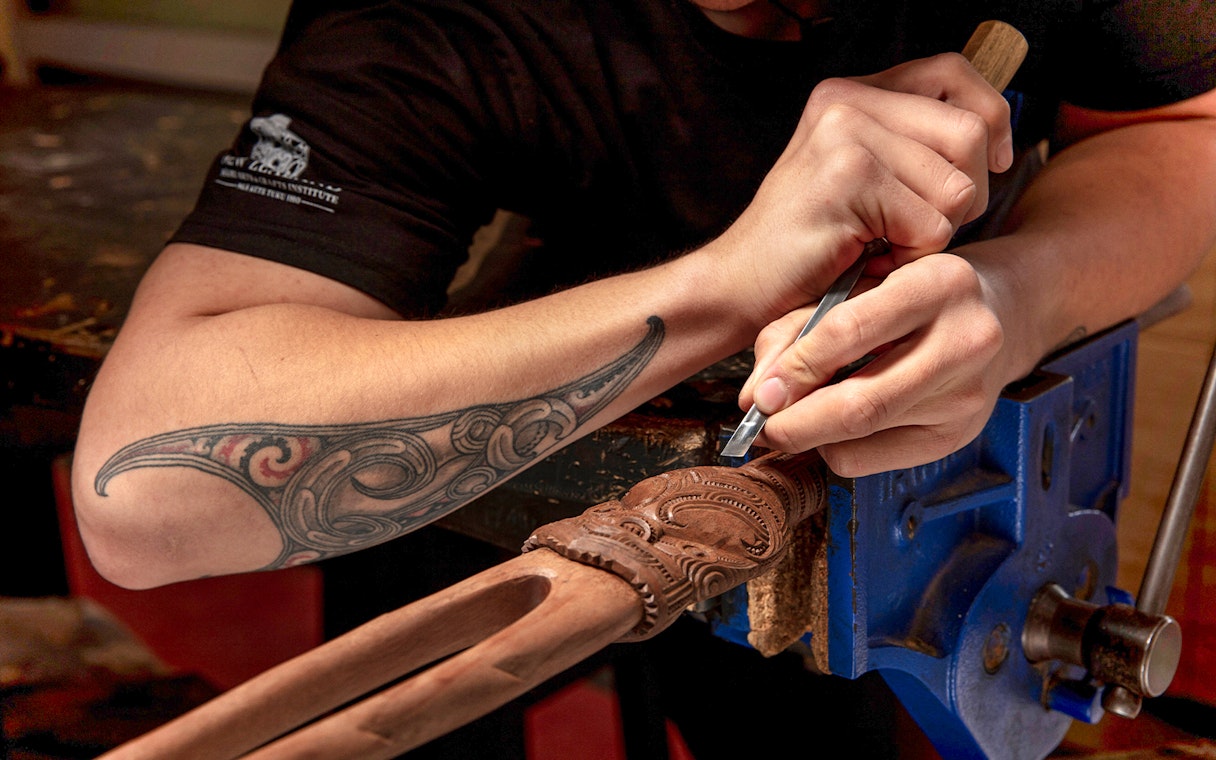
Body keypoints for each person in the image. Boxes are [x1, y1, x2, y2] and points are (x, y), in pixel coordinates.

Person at [70, 0, 1216, 756]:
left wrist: (1020, 295)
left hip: (898, 422)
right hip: (518, 341)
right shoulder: (421, 22)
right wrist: (724, 283)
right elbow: (148, 497)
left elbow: (1176, 121)